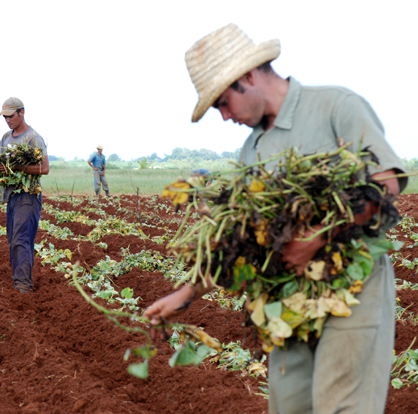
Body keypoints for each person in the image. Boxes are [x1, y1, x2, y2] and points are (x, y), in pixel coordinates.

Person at [144, 24, 406, 414]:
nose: (224, 115)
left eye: (222, 103)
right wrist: (187, 294)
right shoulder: (251, 151)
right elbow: (245, 242)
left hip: (354, 291)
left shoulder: (336, 106)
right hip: (285, 301)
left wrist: (318, 237)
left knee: (341, 407)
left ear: (248, 76)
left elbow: (387, 182)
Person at [0, 97, 49, 293]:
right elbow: (2, 163)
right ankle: (18, 280)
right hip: (12, 196)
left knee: (21, 239)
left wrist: (19, 166)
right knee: (13, 240)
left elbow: (44, 168)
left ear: (22, 112)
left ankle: (23, 285)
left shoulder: (33, 138)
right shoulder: (5, 138)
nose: (8, 120)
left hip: (28, 195)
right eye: (5, 117)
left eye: (11, 116)